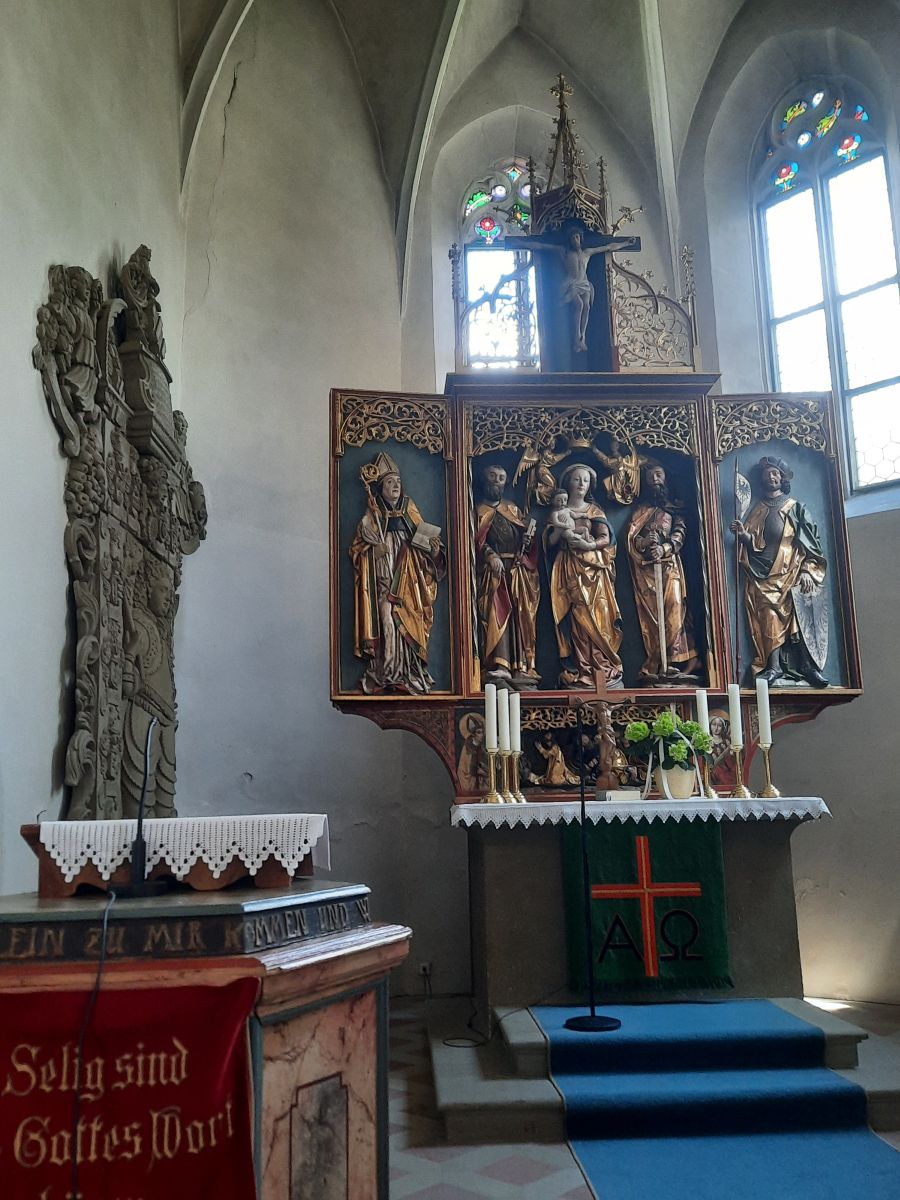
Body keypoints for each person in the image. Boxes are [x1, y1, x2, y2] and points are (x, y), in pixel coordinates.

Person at [350, 452, 446, 695]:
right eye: (390, 482)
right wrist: (373, 552)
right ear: (380, 486)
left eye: (398, 482)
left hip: (409, 583)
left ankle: (410, 672)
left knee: (409, 621)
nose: (395, 486)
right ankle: (388, 672)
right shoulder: (372, 515)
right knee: (388, 621)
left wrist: (434, 549)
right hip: (384, 584)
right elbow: (357, 551)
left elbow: (426, 542)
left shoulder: (409, 508)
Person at [731, 456, 828, 687]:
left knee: (799, 615)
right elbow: (754, 544)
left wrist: (807, 569)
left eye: (775, 473)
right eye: (767, 474)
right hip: (763, 573)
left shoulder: (796, 508)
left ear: (782, 478)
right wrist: (743, 536)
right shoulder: (758, 509)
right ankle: (773, 667)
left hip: (792, 571)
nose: (771, 477)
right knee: (768, 616)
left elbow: (812, 544)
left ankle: (807, 666)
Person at [546, 463, 623, 689]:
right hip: (569, 568)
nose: (581, 484)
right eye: (577, 479)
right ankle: (584, 669)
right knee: (578, 618)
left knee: (600, 615)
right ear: (568, 482)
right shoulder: (558, 512)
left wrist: (589, 545)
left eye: (586, 480)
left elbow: (606, 539)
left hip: (595, 570)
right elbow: (549, 543)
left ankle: (603, 668)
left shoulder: (594, 511)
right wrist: (560, 531)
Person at [625, 461, 701, 681]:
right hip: (647, 572)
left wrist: (665, 548)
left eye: (658, 475)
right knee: (654, 618)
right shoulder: (641, 511)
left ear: (666, 478)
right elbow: (632, 539)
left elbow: (679, 533)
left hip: (669, 566)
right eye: (650, 477)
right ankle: (660, 662)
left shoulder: (675, 508)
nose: (654, 480)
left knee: (675, 607)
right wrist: (643, 542)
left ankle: (681, 660)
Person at [474, 462, 541, 688]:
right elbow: (475, 541)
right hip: (494, 573)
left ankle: (521, 666)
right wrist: (490, 555)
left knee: (521, 616)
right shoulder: (478, 511)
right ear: (483, 480)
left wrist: (526, 542)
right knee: (498, 613)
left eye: (501, 478)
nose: (496, 481)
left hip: (517, 571)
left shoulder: (511, 508)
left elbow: (526, 539)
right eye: (492, 476)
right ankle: (500, 664)